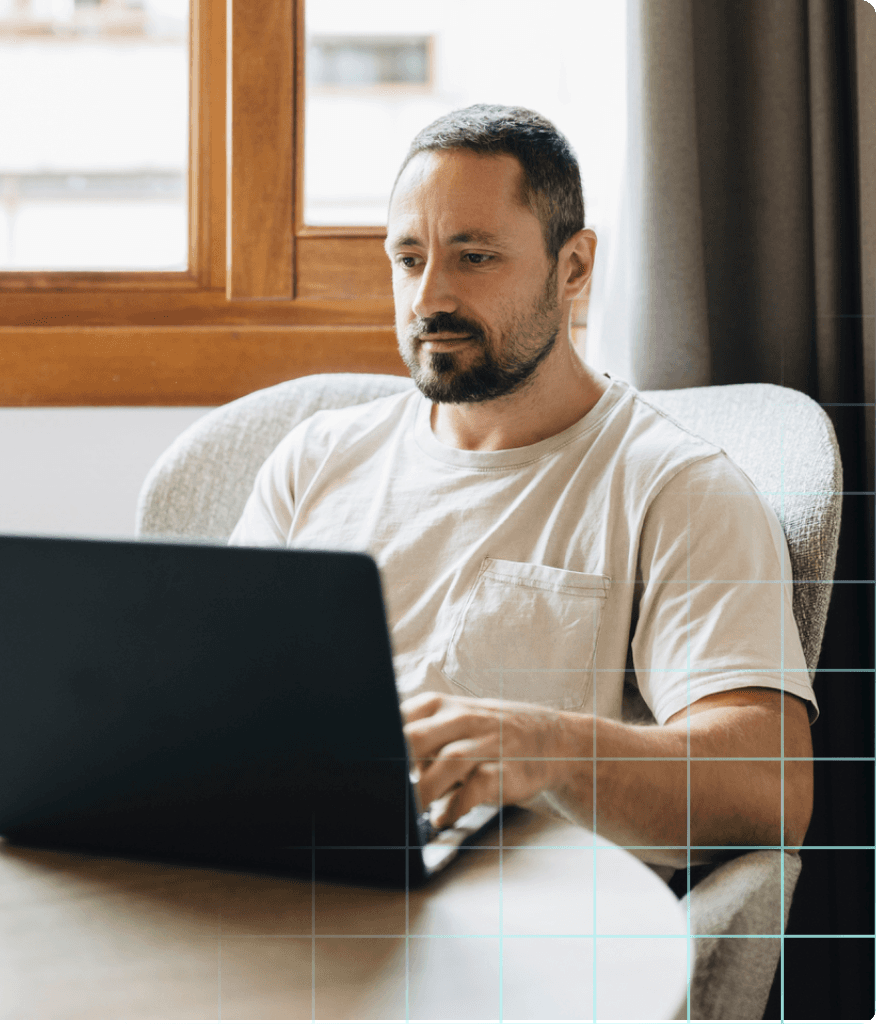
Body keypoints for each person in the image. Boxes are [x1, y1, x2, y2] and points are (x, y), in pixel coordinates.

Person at [229, 104, 815, 868]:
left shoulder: (679, 491)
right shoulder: (314, 463)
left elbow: (768, 793)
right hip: (289, 874)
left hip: (511, 934)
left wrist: (549, 747)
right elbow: (223, 703)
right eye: (409, 259)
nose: (428, 298)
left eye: (474, 257)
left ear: (574, 268)